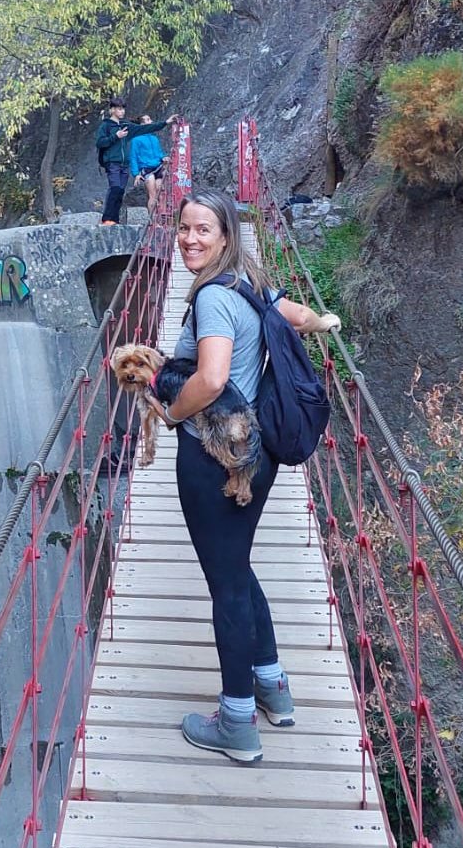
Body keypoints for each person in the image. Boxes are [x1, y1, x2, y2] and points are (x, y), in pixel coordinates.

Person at [142, 188, 338, 763]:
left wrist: (170, 413)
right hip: (256, 454)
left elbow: (210, 378)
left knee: (225, 584)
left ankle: (235, 722)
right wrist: (323, 321)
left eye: (203, 229)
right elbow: (293, 315)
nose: (189, 239)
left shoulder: (211, 299)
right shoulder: (248, 284)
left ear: (226, 235)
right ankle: (272, 687)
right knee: (238, 568)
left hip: (213, 458)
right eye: (183, 228)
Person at [95, 97, 177, 226]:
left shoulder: (126, 126)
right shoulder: (106, 126)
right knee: (115, 188)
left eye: (123, 109)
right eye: (119, 109)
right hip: (112, 162)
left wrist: (166, 122)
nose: (122, 112)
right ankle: (107, 219)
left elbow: (146, 128)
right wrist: (115, 136)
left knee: (120, 190)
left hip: (124, 164)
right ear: (112, 110)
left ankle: (114, 220)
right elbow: (100, 143)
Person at [129, 114, 167, 213]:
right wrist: (136, 174)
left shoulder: (154, 138)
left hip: (158, 167)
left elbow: (159, 153)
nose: (151, 121)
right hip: (146, 169)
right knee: (153, 194)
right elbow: (133, 157)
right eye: (148, 120)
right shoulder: (136, 140)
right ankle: (153, 221)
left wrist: (163, 158)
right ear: (142, 124)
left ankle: (162, 218)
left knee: (161, 192)